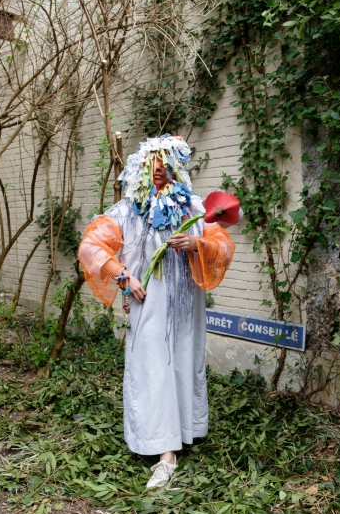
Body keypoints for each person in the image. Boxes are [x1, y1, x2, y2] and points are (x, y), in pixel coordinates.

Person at [78, 134, 238, 489]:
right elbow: (91, 247)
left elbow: (223, 247)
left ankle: (184, 431)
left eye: (166, 166)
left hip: (186, 309)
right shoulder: (126, 212)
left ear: (177, 169)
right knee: (153, 367)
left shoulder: (194, 209)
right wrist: (124, 276)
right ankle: (164, 452)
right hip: (148, 303)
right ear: (140, 169)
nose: (159, 173)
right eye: (153, 166)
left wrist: (197, 243)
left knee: (182, 362)